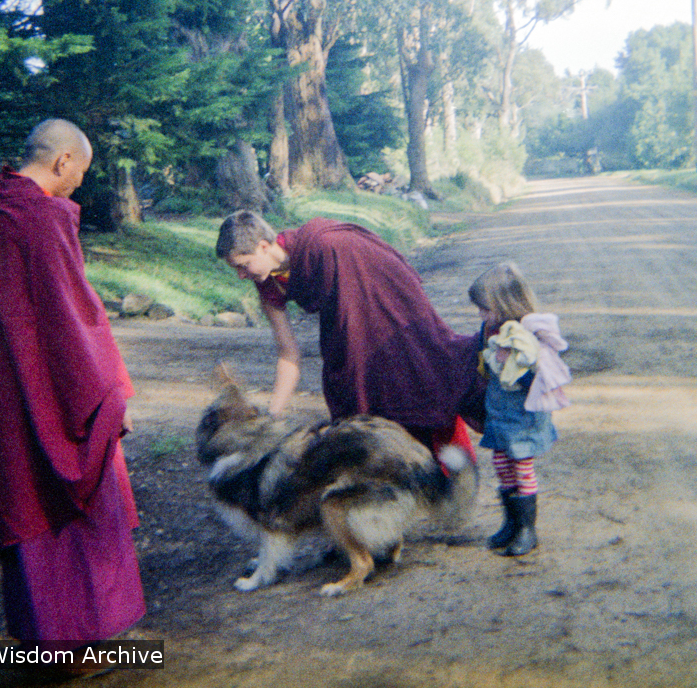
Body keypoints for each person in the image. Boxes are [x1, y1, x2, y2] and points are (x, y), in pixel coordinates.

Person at [0, 119, 146, 645]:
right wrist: (111, 391)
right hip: (64, 388)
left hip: (13, 391)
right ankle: (84, 644)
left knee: (28, 487)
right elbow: (76, 318)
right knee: (82, 490)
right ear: (62, 161)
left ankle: (47, 644)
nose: (79, 185)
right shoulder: (41, 218)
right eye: (81, 173)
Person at [215, 210, 485, 461]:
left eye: (243, 265)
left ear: (263, 246)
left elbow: (368, 284)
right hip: (352, 326)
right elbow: (289, 353)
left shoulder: (324, 244)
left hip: (395, 311)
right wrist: (273, 414)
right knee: (349, 389)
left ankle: (444, 477)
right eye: (234, 269)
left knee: (417, 376)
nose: (240, 275)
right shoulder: (268, 286)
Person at [468, 262, 572, 556]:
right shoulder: (490, 329)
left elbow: (540, 375)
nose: (481, 315)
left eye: (485, 309)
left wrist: (513, 363)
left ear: (505, 304)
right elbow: (481, 362)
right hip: (500, 411)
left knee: (521, 464)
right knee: (501, 463)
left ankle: (528, 529)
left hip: (524, 412)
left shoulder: (529, 333)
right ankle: (510, 523)